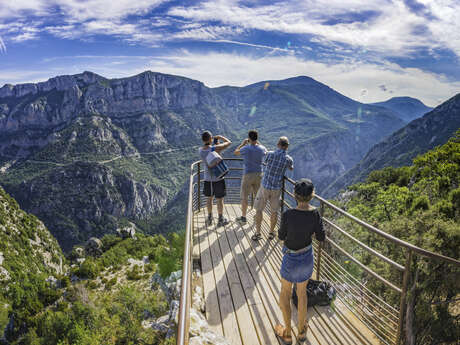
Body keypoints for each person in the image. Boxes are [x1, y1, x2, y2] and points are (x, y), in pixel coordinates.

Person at [275, 178, 325, 344]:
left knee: (285, 293)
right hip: (306, 257)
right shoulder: (315, 213)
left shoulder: (288, 214)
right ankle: (302, 332)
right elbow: (321, 237)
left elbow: (281, 236)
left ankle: (287, 333)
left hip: (290, 257)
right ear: (312, 195)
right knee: (301, 294)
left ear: (295, 195)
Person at [252, 136, 293, 241]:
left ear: (278, 144)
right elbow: (291, 168)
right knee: (274, 211)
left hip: (265, 186)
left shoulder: (270, 154)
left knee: (259, 209)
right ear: (287, 147)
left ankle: (258, 233)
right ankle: (271, 233)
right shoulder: (288, 159)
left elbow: (265, 159)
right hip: (276, 189)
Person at [199, 131, 232, 227]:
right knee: (219, 199)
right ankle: (220, 219)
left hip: (207, 179)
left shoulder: (200, 150)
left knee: (209, 199)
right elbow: (229, 142)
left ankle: (209, 218)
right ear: (210, 139)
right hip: (218, 178)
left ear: (202, 140)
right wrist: (220, 137)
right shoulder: (215, 148)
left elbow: (208, 151)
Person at [234, 130, 267, 223]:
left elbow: (236, 152)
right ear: (257, 138)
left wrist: (242, 144)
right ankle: (257, 215)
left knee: (244, 196)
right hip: (259, 174)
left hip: (248, 174)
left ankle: (243, 217)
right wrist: (258, 143)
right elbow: (266, 151)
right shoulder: (261, 148)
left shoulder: (246, 148)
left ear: (249, 138)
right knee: (258, 196)